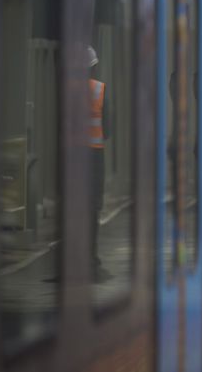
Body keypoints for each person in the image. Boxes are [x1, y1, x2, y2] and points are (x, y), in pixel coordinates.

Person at [87, 46, 111, 274]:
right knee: (94, 207)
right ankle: (91, 255)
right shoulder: (100, 89)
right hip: (95, 155)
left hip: (76, 157)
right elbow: (108, 130)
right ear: (94, 66)